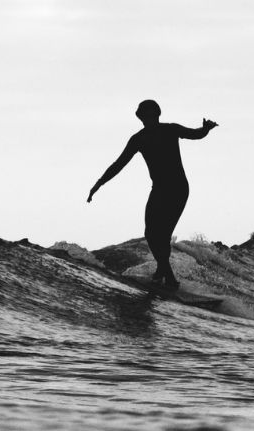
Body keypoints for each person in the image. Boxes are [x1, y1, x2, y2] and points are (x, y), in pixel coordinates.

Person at [88, 100, 218, 290]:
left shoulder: (171, 129)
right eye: (143, 115)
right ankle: (161, 271)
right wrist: (99, 183)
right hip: (158, 189)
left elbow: (195, 134)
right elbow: (119, 164)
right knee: (151, 233)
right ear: (139, 117)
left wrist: (205, 129)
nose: (146, 118)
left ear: (157, 113)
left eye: (150, 114)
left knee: (162, 234)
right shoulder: (138, 139)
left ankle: (169, 278)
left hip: (178, 188)